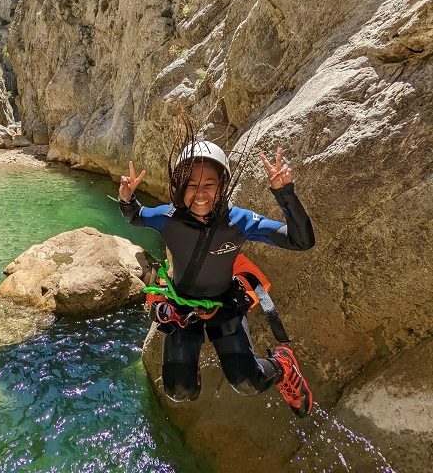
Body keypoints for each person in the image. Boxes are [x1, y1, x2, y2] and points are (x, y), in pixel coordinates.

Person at [118, 139, 316, 417]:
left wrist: (285, 193)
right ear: (178, 187)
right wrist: (127, 199)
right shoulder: (168, 217)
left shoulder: (239, 221)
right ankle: (191, 367)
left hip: (225, 305)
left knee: (247, 383)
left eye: (209, 184)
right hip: (182, 309)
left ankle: (283, 363)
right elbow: (135, 217)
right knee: (178, 391)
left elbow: (301, 241)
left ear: (223, 185)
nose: (200, 193)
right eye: (191, 184)